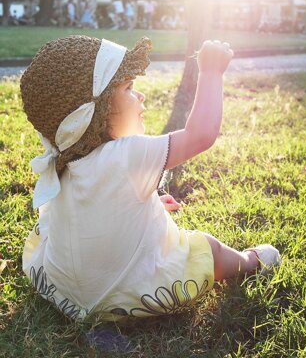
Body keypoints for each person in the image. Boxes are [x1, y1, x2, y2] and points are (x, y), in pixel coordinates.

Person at [21, 36, 281, 322]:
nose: (140, 95)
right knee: (207, 247)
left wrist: (150, 202)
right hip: (128, 298)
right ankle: (249, 261)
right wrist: (210, 72)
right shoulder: (127, 154)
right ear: (98, 110)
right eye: (129, 88)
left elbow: (98, 208)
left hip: (66, 294)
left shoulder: (64, 159)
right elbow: (201, 134)